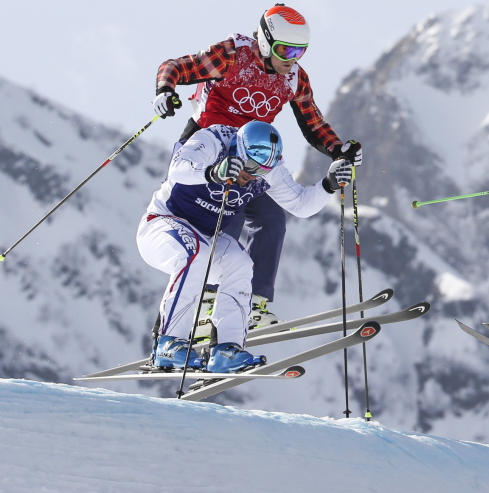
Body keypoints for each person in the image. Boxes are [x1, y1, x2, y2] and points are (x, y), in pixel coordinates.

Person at [151, 4, 362, 329]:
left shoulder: (293, 77)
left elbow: (312, 122)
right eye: (285, 49)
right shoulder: (233, 55)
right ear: (265, 41)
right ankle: (205, 306)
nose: (291, 58)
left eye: (299, 51)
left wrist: (339, 150)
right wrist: (165, 90)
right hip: (208, 152)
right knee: (229, 215)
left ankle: (255, 305)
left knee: (272, 218)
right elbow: (177, 67)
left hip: (253, 157)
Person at [137, 120, 353, 372]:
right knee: (196, 254)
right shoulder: (213, 140)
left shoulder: (268, 170)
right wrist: (212, 171)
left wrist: (329, 184)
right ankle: (167, 343)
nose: (252, 174)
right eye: (249, 165)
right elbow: (178, 168)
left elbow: (300, 205)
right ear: (238, 147)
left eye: (261, 170)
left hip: (207, 237)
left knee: (240, 264)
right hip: (163, 225)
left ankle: (226, 350)